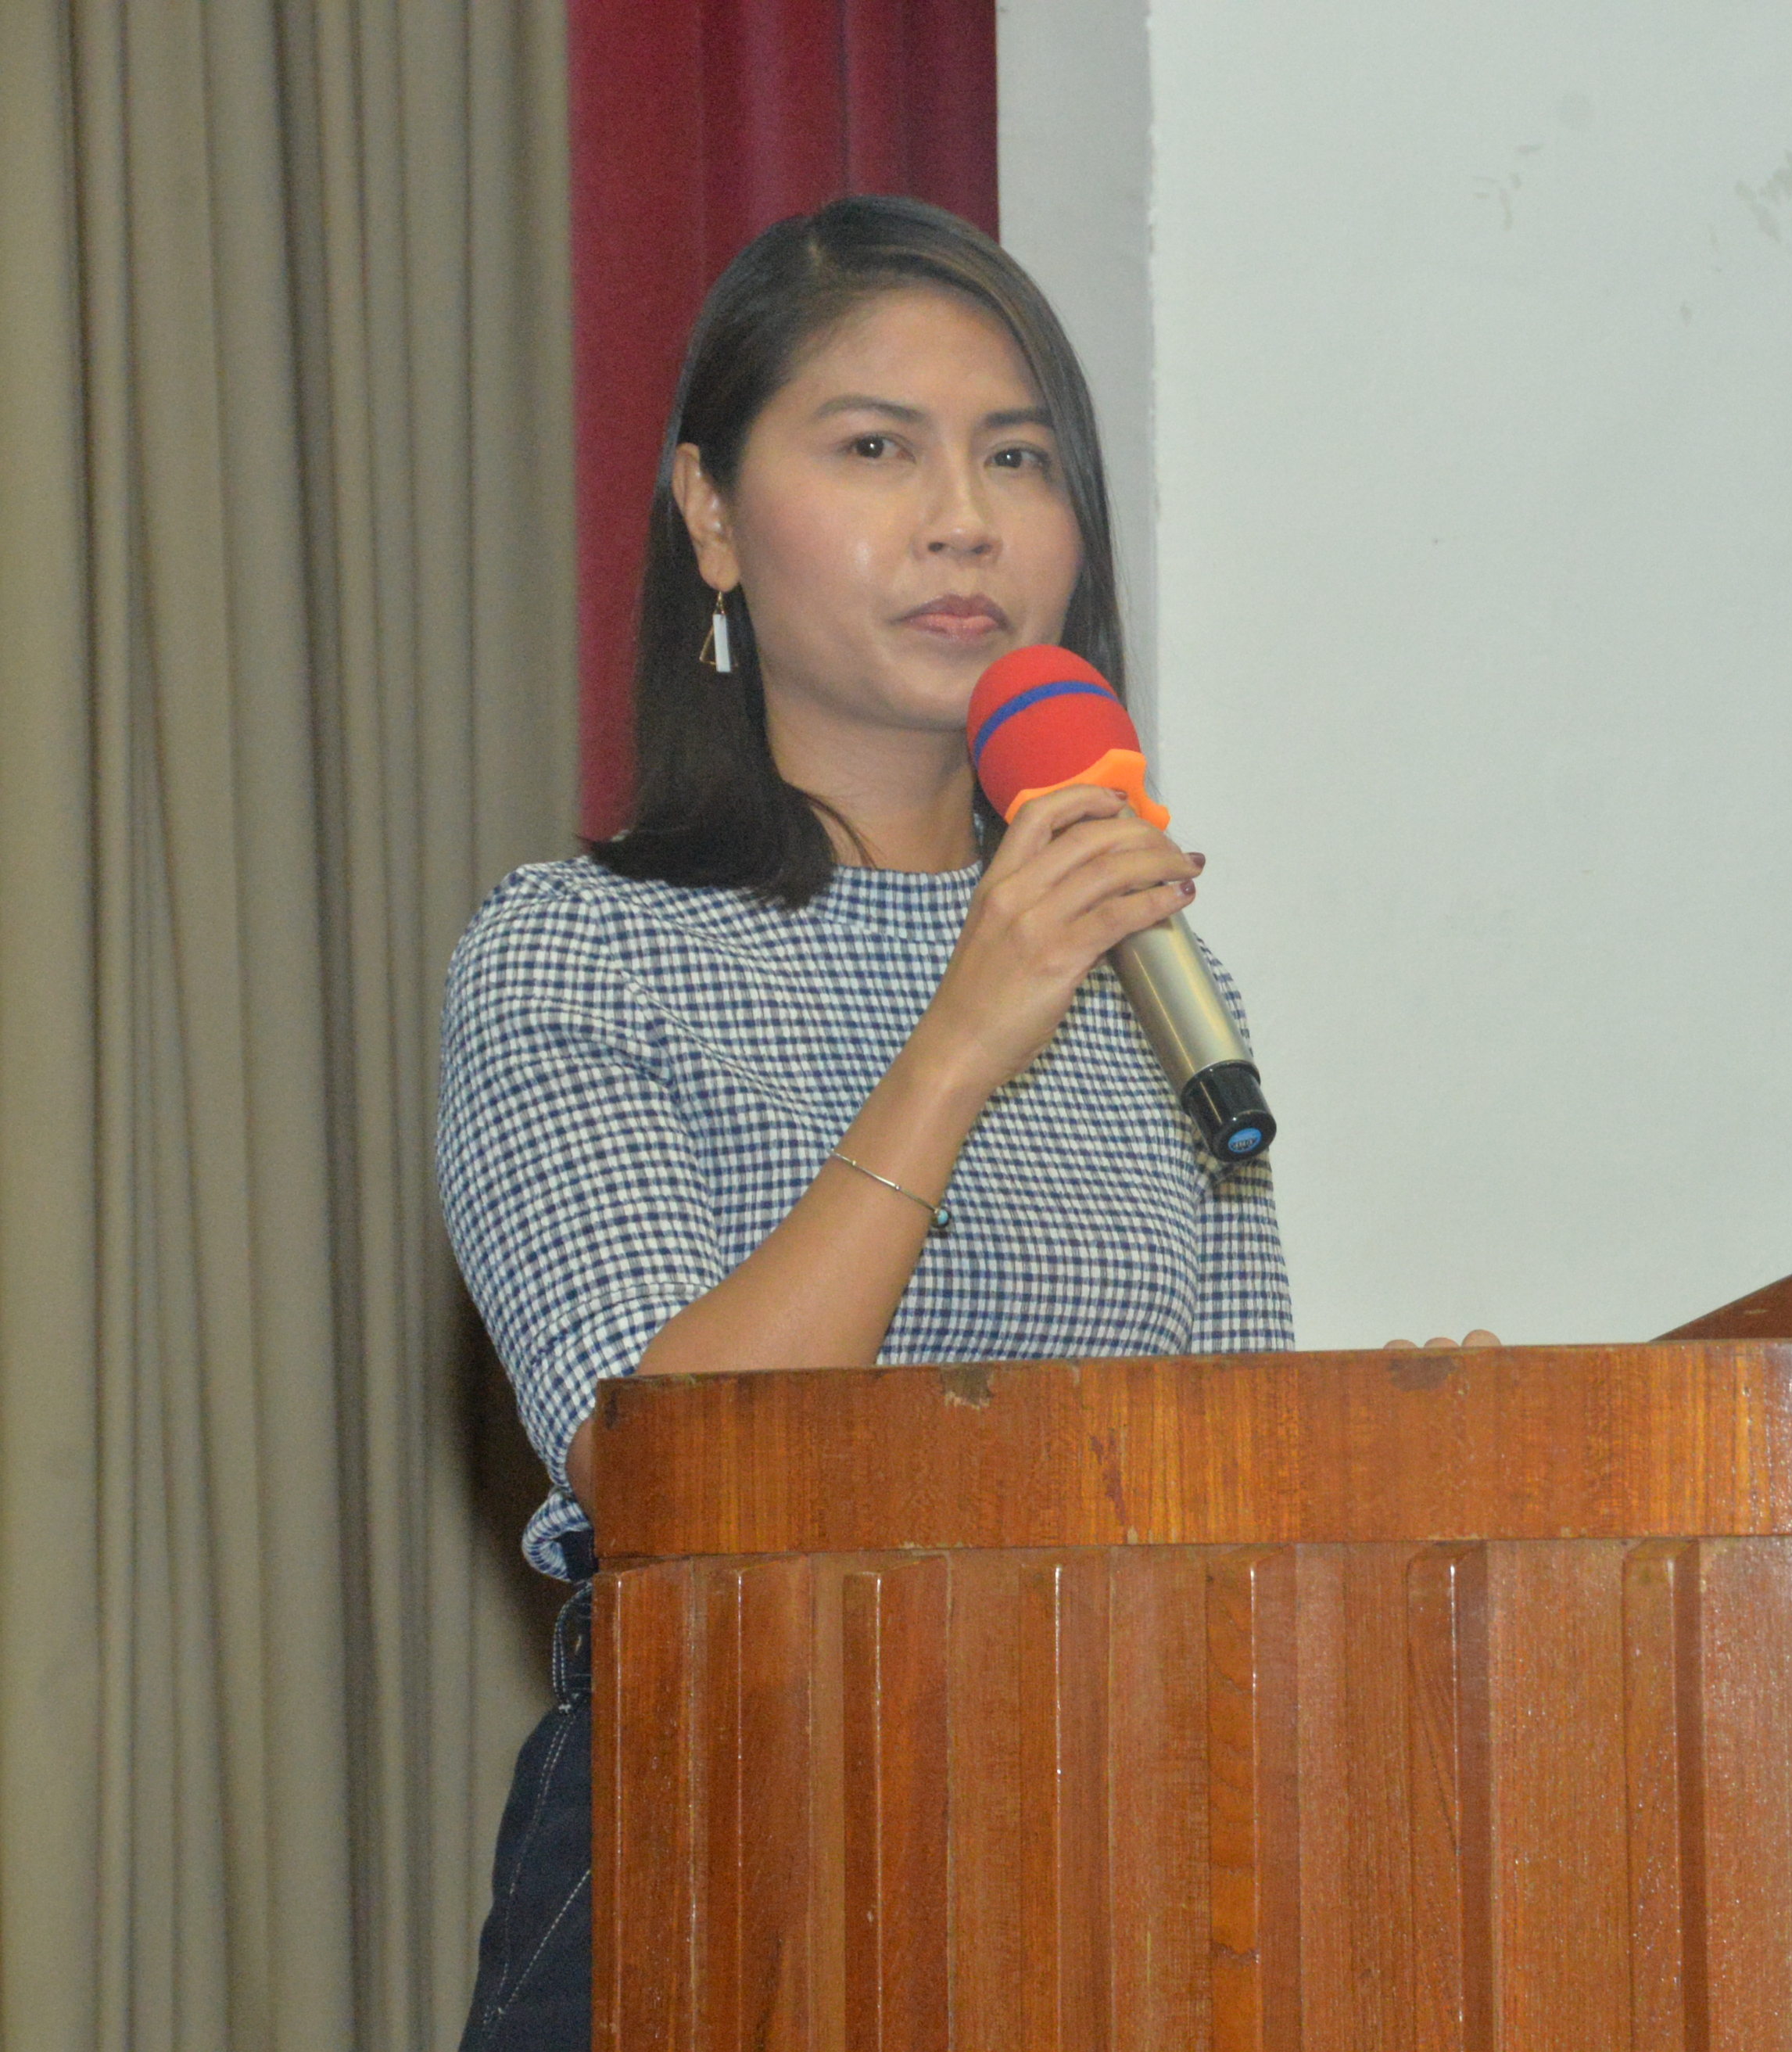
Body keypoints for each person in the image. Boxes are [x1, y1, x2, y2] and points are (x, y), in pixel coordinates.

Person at [436, 196, 1291, 2050]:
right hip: (726, 1838)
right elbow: (660, 1470)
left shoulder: (1150, 969)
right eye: (878, 448)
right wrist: (960, 1040)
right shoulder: (579, 952)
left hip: (1116, 1847)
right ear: (711, 514)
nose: (964, 517)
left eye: (1018, 456)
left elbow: (1237, 1476)